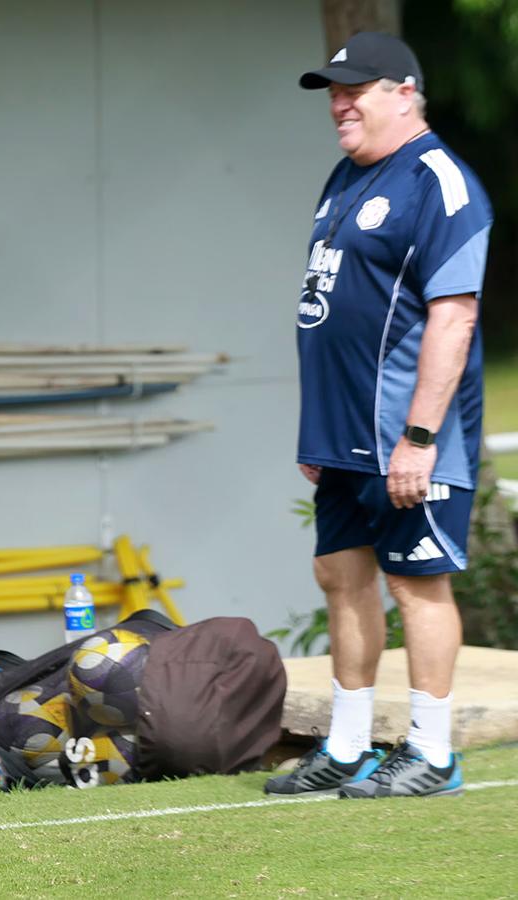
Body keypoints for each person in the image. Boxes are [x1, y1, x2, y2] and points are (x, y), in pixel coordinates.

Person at [267, 32, 492, 799]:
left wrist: (420, 438)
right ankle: (348, 744)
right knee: (340, 575)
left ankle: (432, 752)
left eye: (355, 90)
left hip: (409, 435)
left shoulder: (440, 182)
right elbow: (332, 309)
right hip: (341, 436)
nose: (339, 104)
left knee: (416, 584)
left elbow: (453, 318)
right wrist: (318, 432)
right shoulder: (346, 177)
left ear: (404, 93)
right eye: (333, 91)